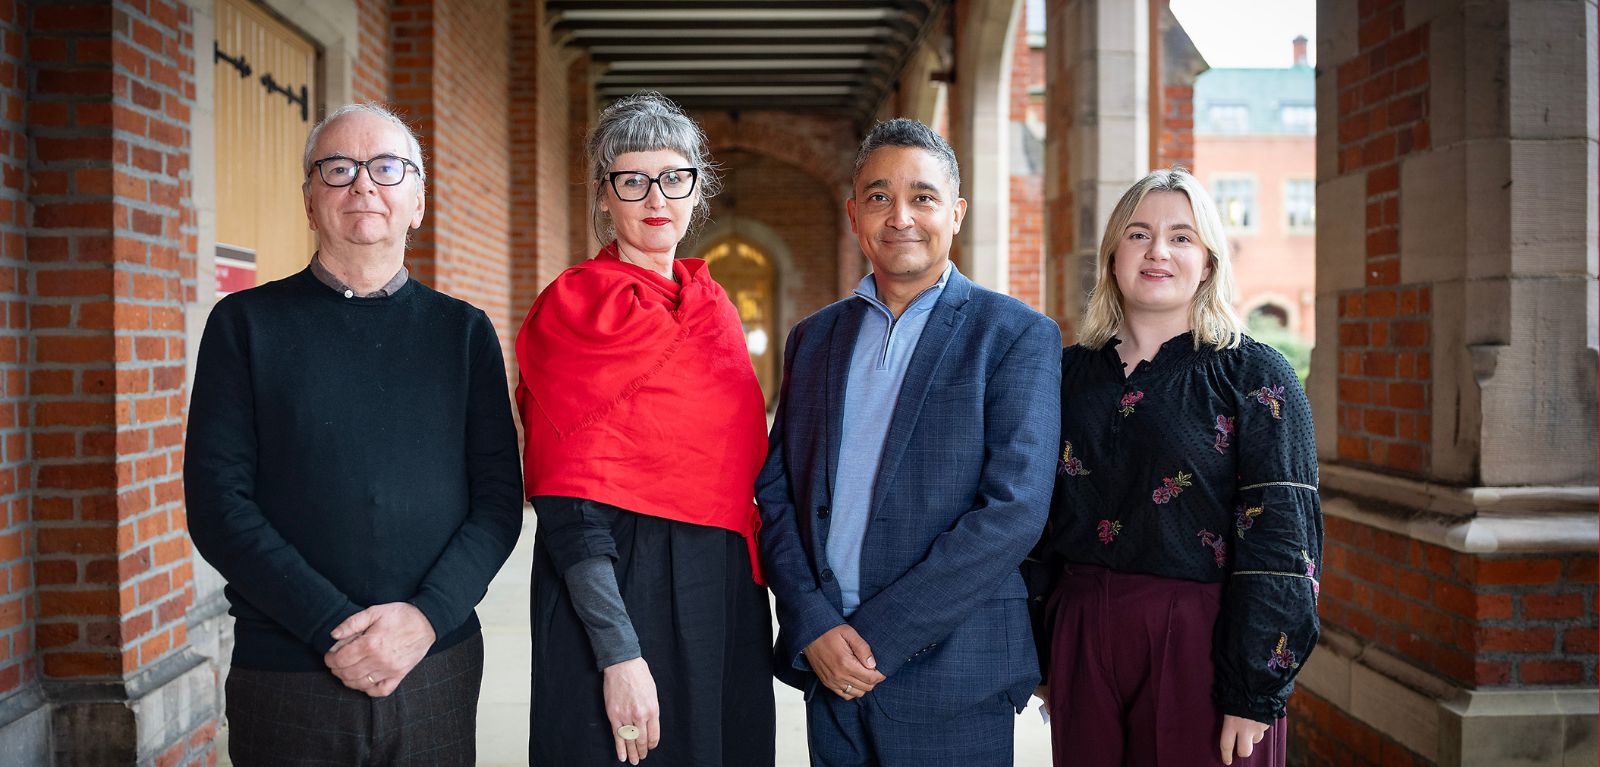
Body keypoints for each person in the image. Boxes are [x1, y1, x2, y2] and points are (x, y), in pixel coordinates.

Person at [184, 103, 524, 765]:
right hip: (287, 666)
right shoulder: (244, 325)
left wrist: (425, 618)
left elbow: (497, 503)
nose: (363, 183)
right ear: (309, 202)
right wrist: (331, 626)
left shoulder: (463, 334)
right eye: (338, 168)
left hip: (435, 662)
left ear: (417, 202)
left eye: (387, 168)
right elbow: (219, 506)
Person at [757, 118, 1061, 767]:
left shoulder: (1013, 335)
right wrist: (813, 623)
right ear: (854, 214)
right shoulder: (813, 338)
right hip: (829, 667)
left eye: (922, 197)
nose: (900, 216)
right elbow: (778, 493)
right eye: (879, 196)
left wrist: (873, 638)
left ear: (956, 212)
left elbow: (1014, 510)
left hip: (953, 672)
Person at [515, 92, 775, 767]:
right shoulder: (576, 305)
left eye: (673, 178)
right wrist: (619, 651)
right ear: (604, 196)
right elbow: (568, 497)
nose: (655, 198)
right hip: (615, 587)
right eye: (632, 180)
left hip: (721, 586)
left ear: (697, 190)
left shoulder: (715, 309)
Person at [1030, 168, 1322, 767]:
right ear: (1113, 256)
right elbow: (1034, 519)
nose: (1158, 251)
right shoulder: (1063, 374)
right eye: (1138, 234)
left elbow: (1283, 537)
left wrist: (1254, 689)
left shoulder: (1254, 375)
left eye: (1181, 237)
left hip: (1202, 639)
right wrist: (1038, 647)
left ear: (1209, 262)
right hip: (1080, 630)